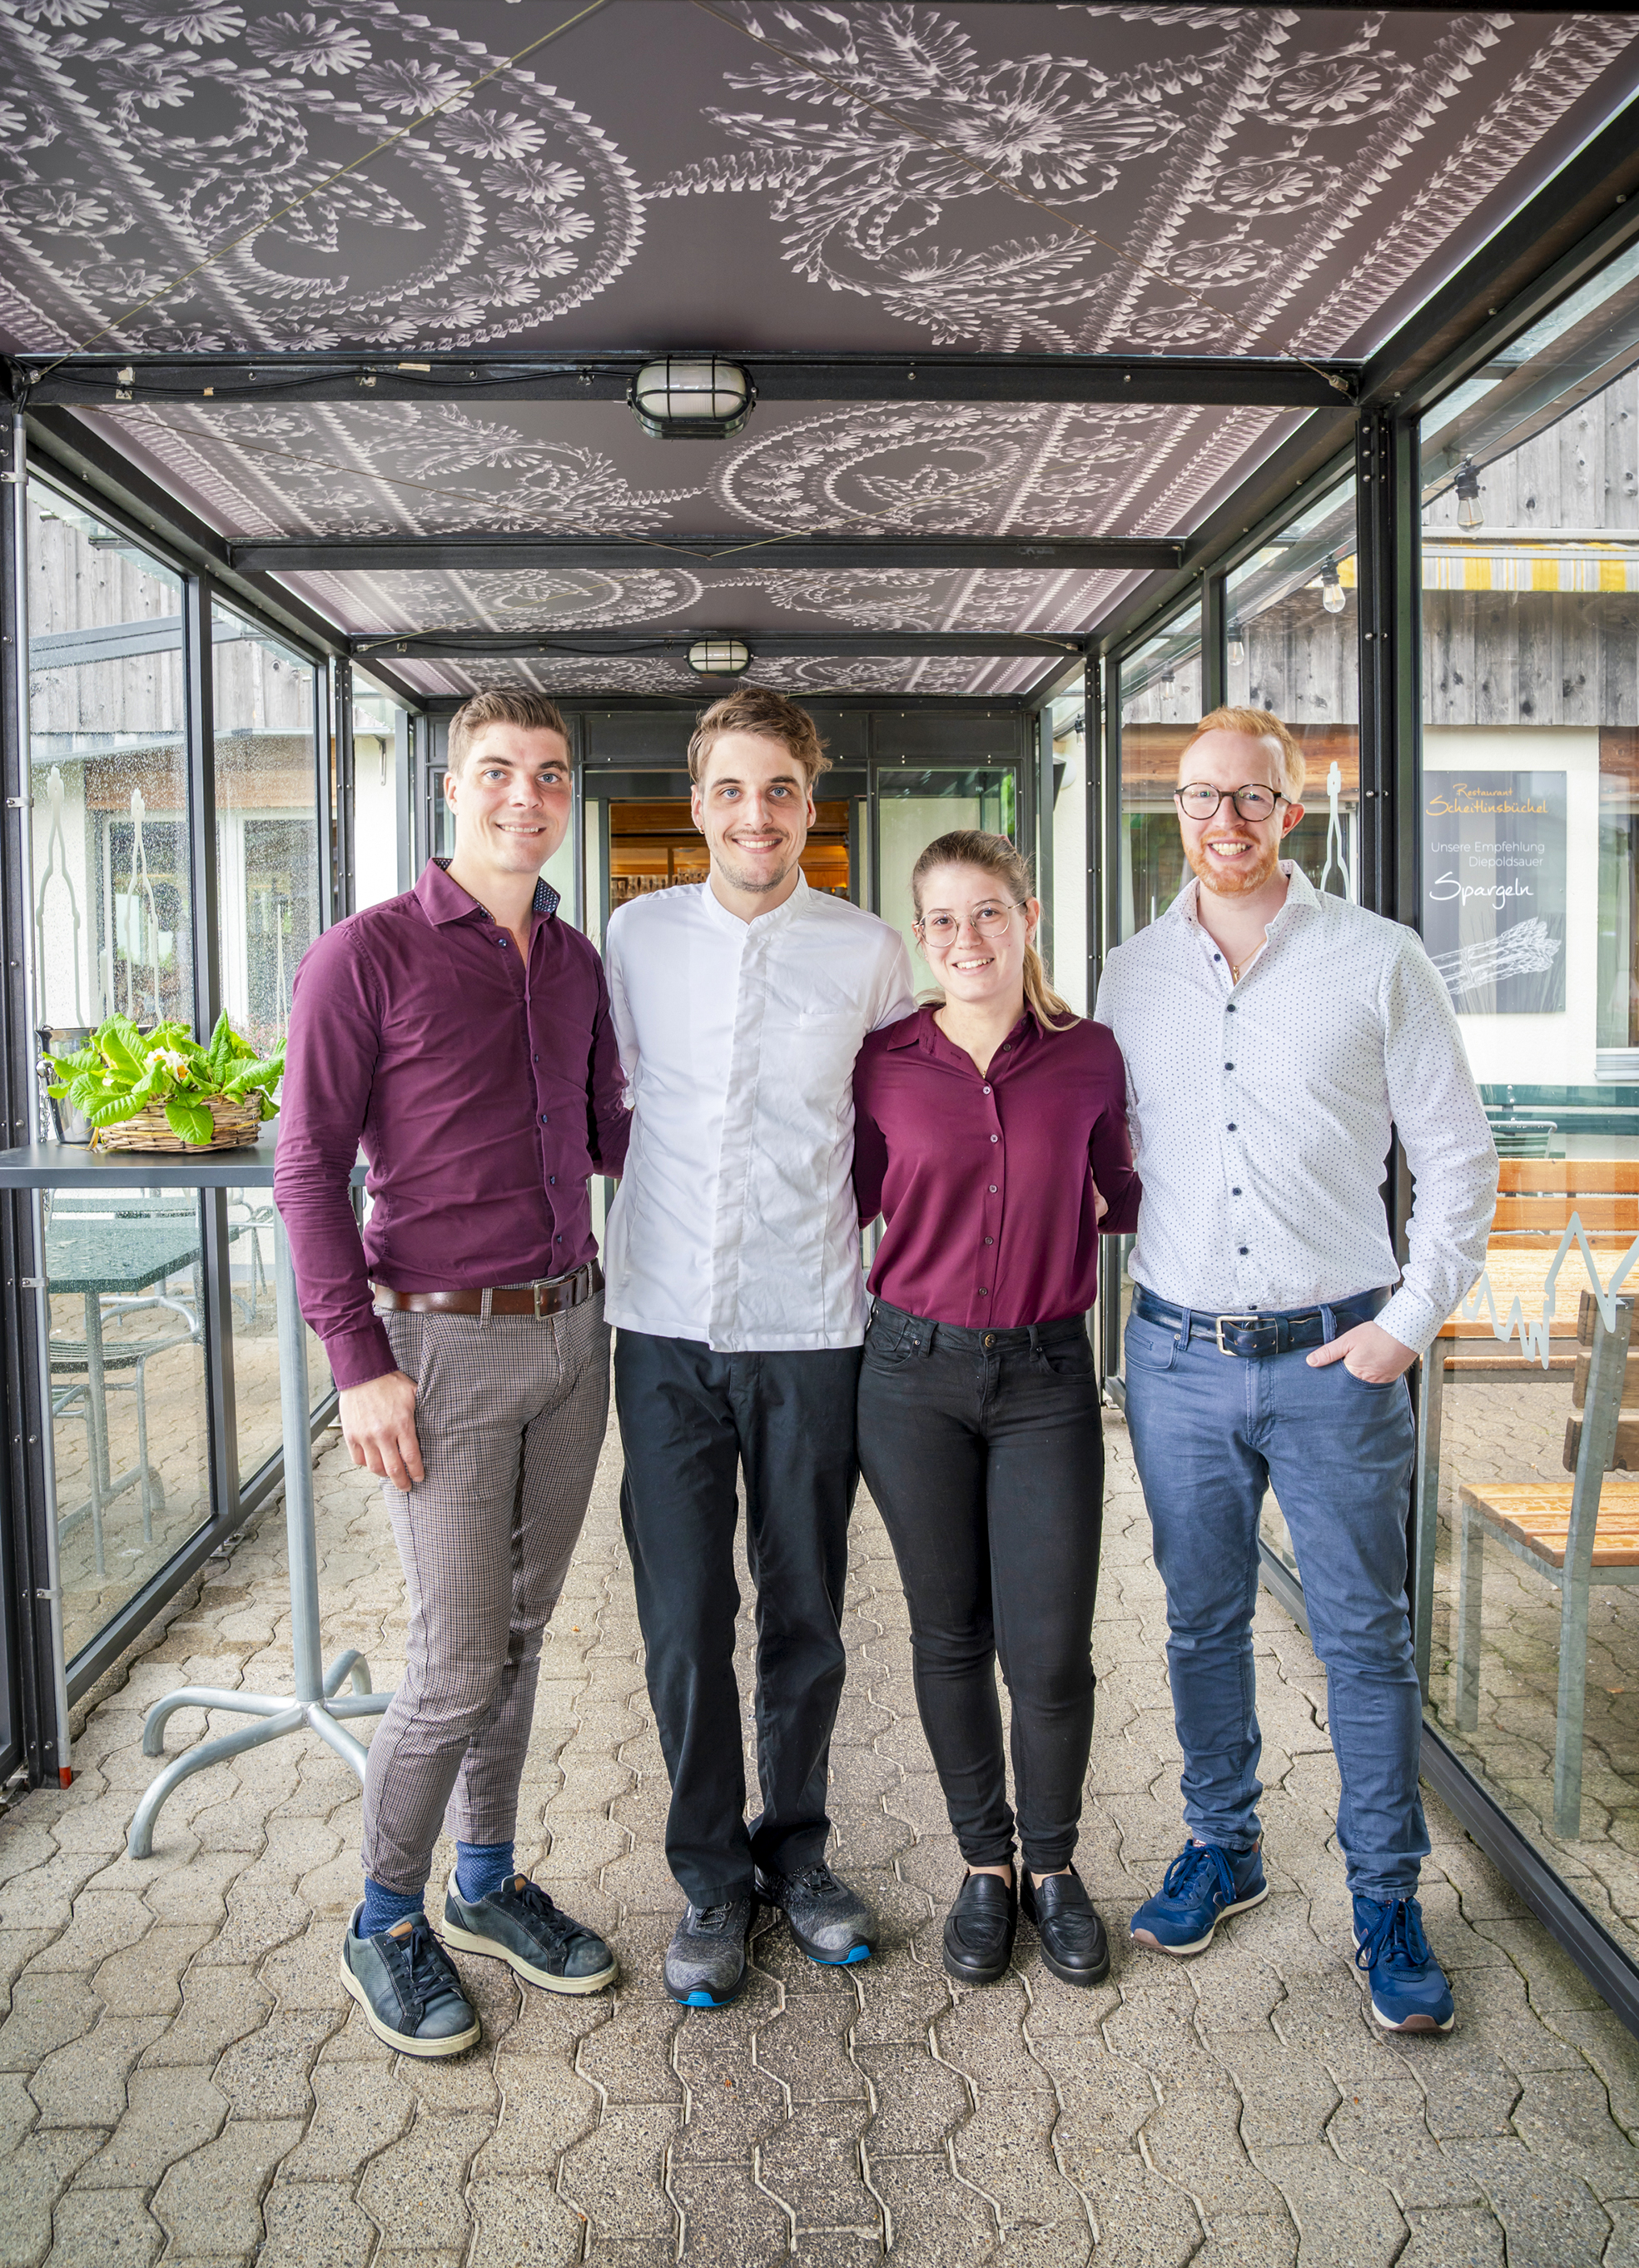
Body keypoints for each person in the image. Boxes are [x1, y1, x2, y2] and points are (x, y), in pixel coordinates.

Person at [1095, 704, 1497, 2036]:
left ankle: (1386, 1898)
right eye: (1203, 798)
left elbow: (1458, 1163)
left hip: (1341, 1357)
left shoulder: (1378, 961)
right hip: (1177, 1357)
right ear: (1177, 813)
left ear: (1293, 809)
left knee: (1363, 1641)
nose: (1226, 821)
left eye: (1251, 799)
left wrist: (1406, 1322)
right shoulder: (1125, 973)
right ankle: (1226, 1844)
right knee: (1199, 1619)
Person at [275, 690, 628, 2057]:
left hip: (570, 1330)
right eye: (497, 773)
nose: (523, 797)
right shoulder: (363, 956)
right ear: (447, 788)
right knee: (455, 1651)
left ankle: (485, 1879)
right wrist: (356, 1363)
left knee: (524, 1635)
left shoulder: (577, 957)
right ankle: (382, 1915)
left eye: (547, 774)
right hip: (438, 1344)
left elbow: (614, 1133)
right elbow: (305, 1167)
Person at [605, 688, 916, 2006]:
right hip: (663, 1322)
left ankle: (795, 1853)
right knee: (684, 1618)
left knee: (803, 1613)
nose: (755, 813)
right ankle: (707, 1879)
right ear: (698, 802)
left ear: (810, 801)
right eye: (731, 789)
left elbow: (895, 1136)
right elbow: (609, 1107)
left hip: (809, 1325)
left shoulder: (867, 951)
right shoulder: (634, 937)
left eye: (779, 789)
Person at [853, 831, 1139, 1991]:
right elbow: (840, 1198)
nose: (965, 939)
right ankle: (983, 1864)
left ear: (1027, 916)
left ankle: (1055, 1868)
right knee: (947, 1633)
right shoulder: (881, 1060)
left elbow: (1127, 1191)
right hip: (907, 1375)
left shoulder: (1090, 1055)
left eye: (987, 913)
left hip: (1045, 1380)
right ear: (918, 935)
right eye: (941, 920)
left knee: (1050, 1647)